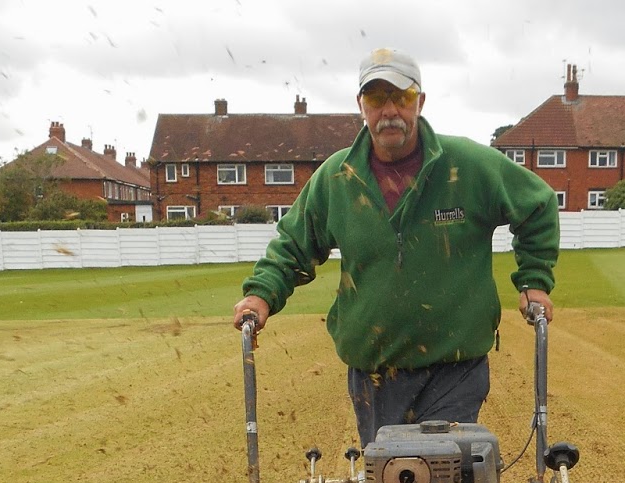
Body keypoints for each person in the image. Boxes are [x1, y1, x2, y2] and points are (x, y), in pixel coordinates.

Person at [233, 48, 558, 445]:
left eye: (401, 98)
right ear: (361, 106)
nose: (389, 111)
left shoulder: (468, 165)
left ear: (419, 102)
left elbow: (538, 203)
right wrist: (261, 295)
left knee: (444, 478)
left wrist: (535, 279)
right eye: (376, 98)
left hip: (454, 364)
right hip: (374, 369)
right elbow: (294, 246)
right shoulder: (337, 178)